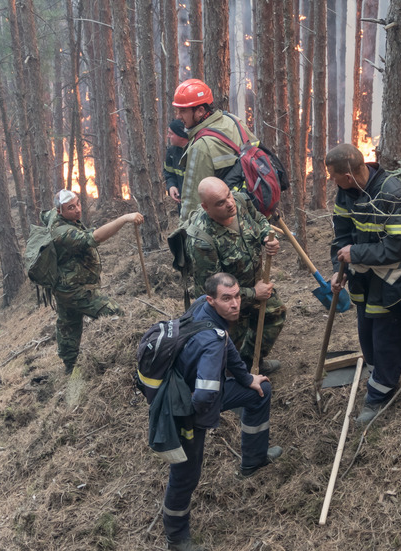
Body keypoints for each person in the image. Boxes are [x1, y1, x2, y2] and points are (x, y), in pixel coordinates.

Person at [161, 272, 283, 551]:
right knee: (186, 472)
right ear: (211, 299)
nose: (235, 304)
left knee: (258, 393)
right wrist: (201, 422)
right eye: (226, 299)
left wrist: (246, 378)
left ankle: (253, 460)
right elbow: (205, 394)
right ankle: (177, 539)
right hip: (186, 407)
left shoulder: (203, 312)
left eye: (238, 296)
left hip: (193, 391)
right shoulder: (211, 341)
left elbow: (227, 345)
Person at [326, 144, 401, 425]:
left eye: (334, 176)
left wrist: (357, 254)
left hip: (394, 279)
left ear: (348, 175)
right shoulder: (346, 192)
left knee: (388, 337)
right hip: (364, 278)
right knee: (368, 334)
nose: (332, 182)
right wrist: (339, 268)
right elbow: (341, 233)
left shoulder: (393, 193)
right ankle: (379, 375)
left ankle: (378, 397)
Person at [184, 177, 286, 374]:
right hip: (224, 301)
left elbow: (259, 219)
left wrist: (267, 236)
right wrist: (253, 293)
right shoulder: (201, 240)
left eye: (228, 195)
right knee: (228, 346)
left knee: (274, 313)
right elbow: (213, 289)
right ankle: (232, 382)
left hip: (252, 283)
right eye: (220, 203)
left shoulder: (240, 200)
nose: (229, 203)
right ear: (206, 207)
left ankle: (250, 363)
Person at [41, 189, 144, 374]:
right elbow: (94, 238)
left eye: (78, 203)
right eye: (71, 208)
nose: (78, 210)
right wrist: (124, 219)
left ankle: (69, 367)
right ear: (59, 211)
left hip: (64, 287)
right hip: (75, 290)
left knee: (68, 324)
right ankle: (128, 356)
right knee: (115, 313)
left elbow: (46, 214)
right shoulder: (61, 232)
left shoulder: (56, 216)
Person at [171, 78, 257, 221]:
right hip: (252, 218)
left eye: (183, 111)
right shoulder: (234, 121)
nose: (178, 116)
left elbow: (192, 202)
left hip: (224, 226)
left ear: (200, 111)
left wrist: (184, 235)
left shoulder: (200, 147)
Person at [164, 119, 189, 202]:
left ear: (181, 136)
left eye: (171, 133)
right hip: (182, 203)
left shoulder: (195, 150)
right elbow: (168, 173)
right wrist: (172, 186)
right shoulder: (171, 152)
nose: (168, 136)